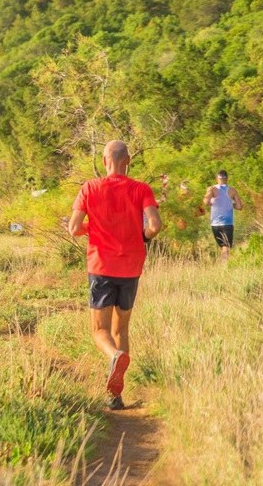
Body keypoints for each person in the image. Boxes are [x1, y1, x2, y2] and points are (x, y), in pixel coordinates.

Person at [68, 140, 161, 410]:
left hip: (101, 266)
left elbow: (74, 228)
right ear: (128, 160)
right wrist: (140, 234)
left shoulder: (90, 188)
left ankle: (114, 356)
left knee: (100, 331)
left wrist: (93, 228)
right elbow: (155, 225)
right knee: (122, 328)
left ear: (104, 159)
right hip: (131, 267)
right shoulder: (141, 189)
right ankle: (115, 396)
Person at [203, 169, 243, 262]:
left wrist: (210, 203)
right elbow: (240, 206)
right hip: (227, 223)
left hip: (215, 224)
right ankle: (223, 268)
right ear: (227, 178)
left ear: (217, 178)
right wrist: (232, 205)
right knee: (226, 247)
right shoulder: (232, 190)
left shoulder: (212, 189)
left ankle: (222, 266)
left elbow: (206, 201)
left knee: (223, 246)